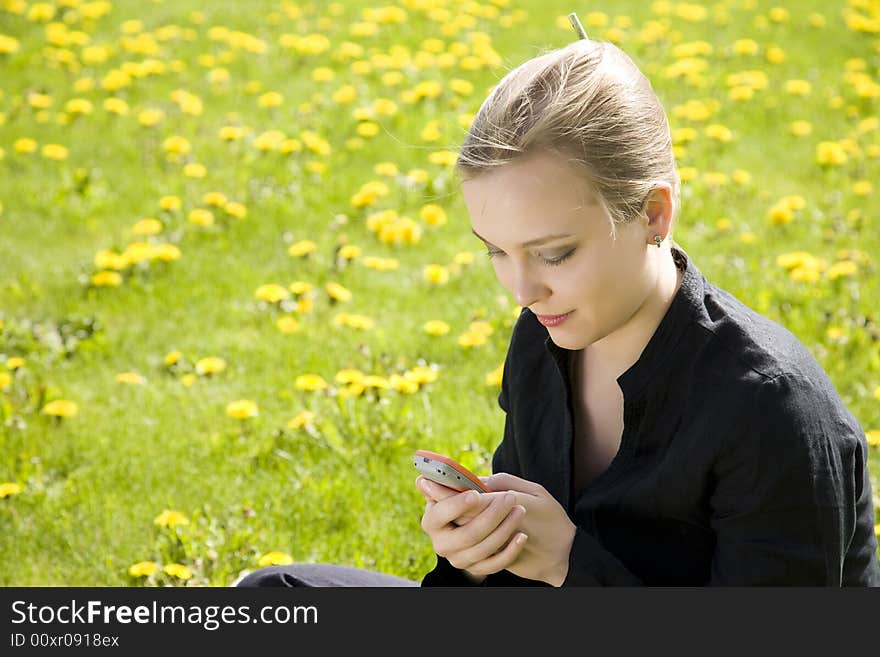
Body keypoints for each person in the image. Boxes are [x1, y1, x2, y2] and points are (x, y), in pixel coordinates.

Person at [236, 22, 880, 588]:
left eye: (554, 253)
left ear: (653, 213)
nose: (522, 291)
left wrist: (567, 564)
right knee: (270, 599)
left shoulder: (771, 408)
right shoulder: (546, 339)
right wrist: (476, 553)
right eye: (496, 251)